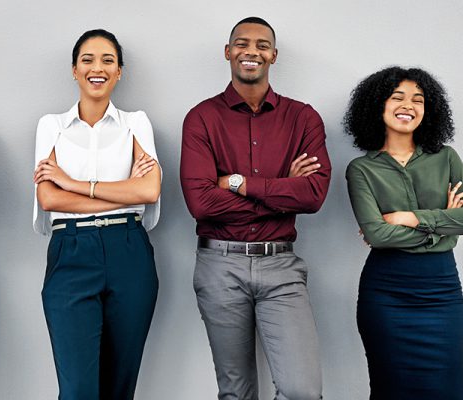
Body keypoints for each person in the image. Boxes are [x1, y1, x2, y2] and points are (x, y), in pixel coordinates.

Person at [180, 16, 330, 400]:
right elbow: (200, 202)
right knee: (236, 392)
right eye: (242, 44)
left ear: (274, 56)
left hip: (281, 266)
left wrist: (236, 182)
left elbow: (312, 195)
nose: (252, 51)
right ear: (228, 53)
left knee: (301, 391)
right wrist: (281, 191)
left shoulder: (303, 117)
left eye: (262, 45)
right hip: (220, 266)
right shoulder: (202, 117)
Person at [33, 29, 161, 400]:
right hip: (70, 252)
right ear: (74, 69)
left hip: (129, 250)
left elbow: (149, 191)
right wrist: (122, 193)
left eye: (108, 60)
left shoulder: (136, 123)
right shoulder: (52, 126)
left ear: (119, 71)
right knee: (78, 391)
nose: (97, 67)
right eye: (87, 59)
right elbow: (48, 199)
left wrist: (73, 183)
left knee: (119, 389)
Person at [345, 66, 463, 399]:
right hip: (387, 296)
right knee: (390, 389)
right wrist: (443, 226)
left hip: (442, 293)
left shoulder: (446, 158)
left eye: (418, 99)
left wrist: (410, 217)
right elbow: (378, 235)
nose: (408, 105)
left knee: (450, 390)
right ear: (376, 107)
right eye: (397, 97)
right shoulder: (362, 169)